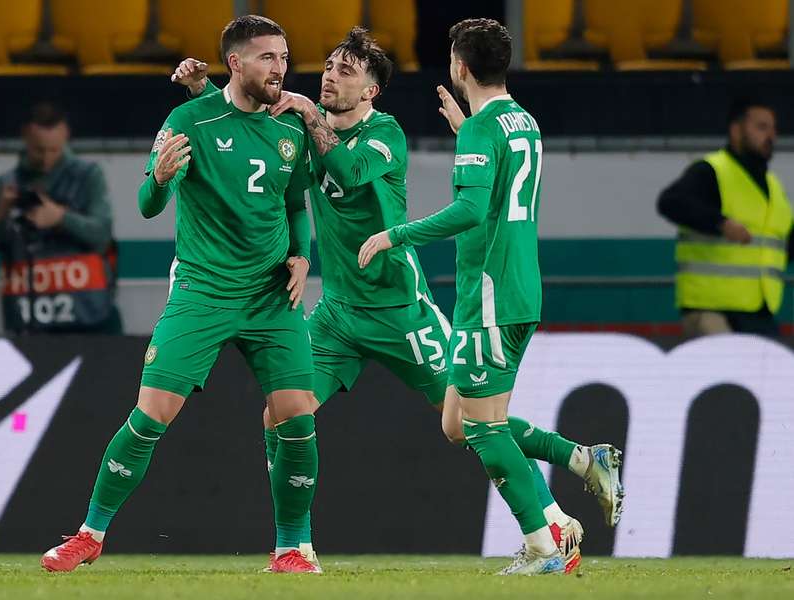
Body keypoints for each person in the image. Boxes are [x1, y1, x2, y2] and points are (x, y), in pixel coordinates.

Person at [175, 26, 609, 575]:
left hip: (403, 312)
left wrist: (309, 116)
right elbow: (239, 145)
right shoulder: (303, 130)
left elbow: (350, 172)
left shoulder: (386, 135)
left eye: (347, 71)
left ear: (371, 92)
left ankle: (558, 503)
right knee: (281, 414)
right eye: (329, 65)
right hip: (337, 315)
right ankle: (295, 547)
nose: (330, 75)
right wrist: (199, 94)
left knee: (467, 425)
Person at [40, 15, 320, 574]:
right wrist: (162, 178)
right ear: (235, 63)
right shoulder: (189, 119)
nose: (280, 68)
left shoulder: (291, 126)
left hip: (270, 295)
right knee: (150, 416)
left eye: (284, 57)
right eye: (267, 57)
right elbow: (147, 204)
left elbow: (294, 206)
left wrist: (302, 254)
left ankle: (292, 547)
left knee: (297, 417)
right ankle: (90, 534)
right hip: (204, 289)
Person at [359, 18, 624, 575]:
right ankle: (582, 459)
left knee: (482, 427)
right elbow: (501, 188)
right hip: (513, 287)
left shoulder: (484, 129)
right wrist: (468, 129)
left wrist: (395, 234)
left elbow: (473, 210)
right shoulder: (520, 120)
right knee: (458, 422)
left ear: (459, 66)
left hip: (491, 295)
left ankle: (544, 547)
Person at [0, 102, 120, 334]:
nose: (47, 159)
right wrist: (0, 215)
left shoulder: (88, 176)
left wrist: (60, 217)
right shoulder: (8, 184)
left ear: (65, 135)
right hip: (27, 321)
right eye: (40, 150)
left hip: (89, 318)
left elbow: (102, 235)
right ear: (26, 137)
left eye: (54, 151)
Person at [657, 98, 792, 337]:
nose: (771, 135)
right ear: (736, 131)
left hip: (758, 312)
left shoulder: (774, 187)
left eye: (773, 129)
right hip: (711, 310)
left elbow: (786, 244)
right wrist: (720, 223)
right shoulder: (712, 171)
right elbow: (671, 202)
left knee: (774, 371)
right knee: (726, 366)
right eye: (761, 127)